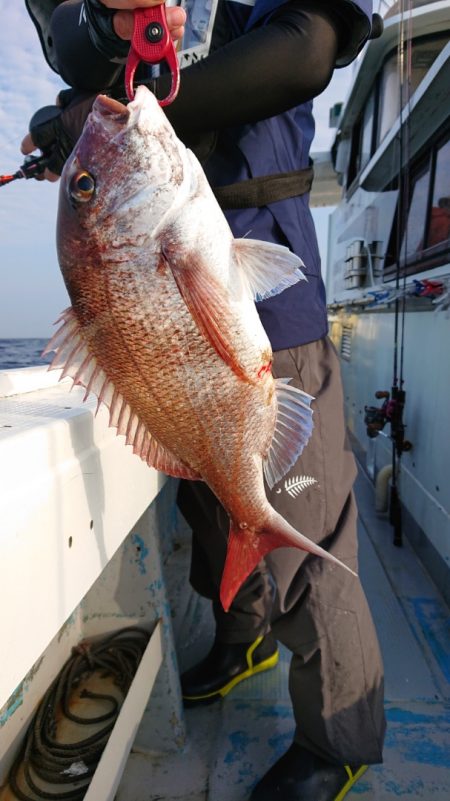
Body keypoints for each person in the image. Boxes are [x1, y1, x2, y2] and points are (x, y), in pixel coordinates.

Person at [22, 1, 386, 798]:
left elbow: (306, 49)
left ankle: (339, 737)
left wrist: (105, 125)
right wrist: (76, 116)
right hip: (168, 315)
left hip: (260, 301)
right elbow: (78, 55)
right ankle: (243, 634)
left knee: (304, 541)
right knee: (213, 510)